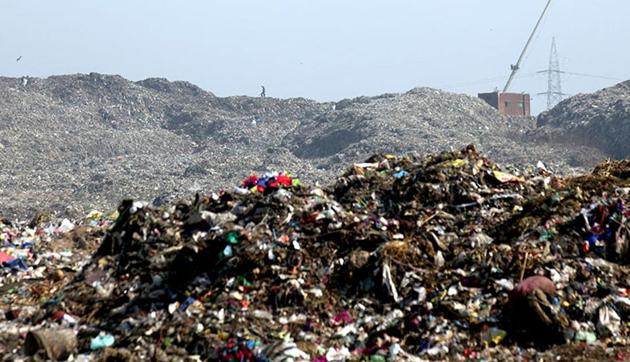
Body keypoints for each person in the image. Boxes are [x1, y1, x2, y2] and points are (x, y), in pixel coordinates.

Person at [504, 275, 571, 347]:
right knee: (545, 317)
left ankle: (552, 331)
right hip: (533, 297)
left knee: (540, 316)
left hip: (525, 299)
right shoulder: (545, 284)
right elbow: (549, 299)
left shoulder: (521, 288)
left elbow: (514, 305)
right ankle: (553, 332)